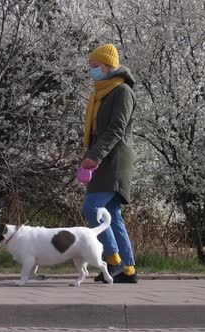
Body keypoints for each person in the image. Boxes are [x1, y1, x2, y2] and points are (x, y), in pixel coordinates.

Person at [80, 44, 138, 283]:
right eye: (91, 67)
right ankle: (128, 271)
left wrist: (95, 155)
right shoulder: (100, 92)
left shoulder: (122, 91)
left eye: (96, 67)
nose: (92, 71)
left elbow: (116, 129)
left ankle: (114, 262)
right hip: (102, 157)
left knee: (92, 208)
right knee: (112, 214)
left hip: (114, 160)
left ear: (109, 66)